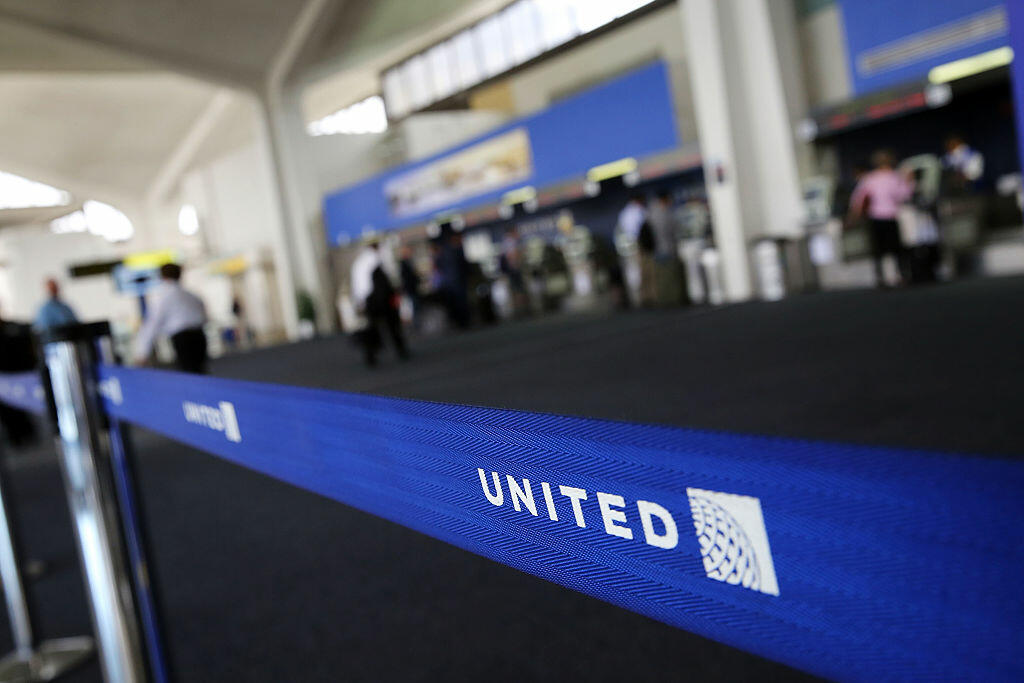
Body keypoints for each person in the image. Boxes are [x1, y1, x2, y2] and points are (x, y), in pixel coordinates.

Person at [848, 150, 914, 288]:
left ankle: (881, 278)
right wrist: (909, 181)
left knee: (878, 250)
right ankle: (902, 275)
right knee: (897, 249)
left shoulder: (869, 178)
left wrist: (853, 216)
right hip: (891, 216)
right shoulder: (894, 177)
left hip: (875, 218)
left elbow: (857, 200)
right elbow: (904, 195)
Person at [134, 263, 209, 373]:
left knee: (190, 373)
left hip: (182, 339)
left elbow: (152, 323)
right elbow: (204, 316)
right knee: (200, 371)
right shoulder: (192, 296)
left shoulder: (162, 296)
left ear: (162, 276)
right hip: (199, 335)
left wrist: (142, 352)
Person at [351, 239, 408, 366]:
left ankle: (372, 355)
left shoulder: (360, 262)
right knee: (391, 327)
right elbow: (382, 284)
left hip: (371, 301)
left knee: (374, 329)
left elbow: (358, 287)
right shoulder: (375, 261)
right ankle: (398, 350)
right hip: (379, 300)